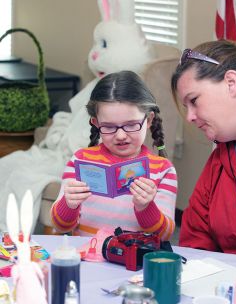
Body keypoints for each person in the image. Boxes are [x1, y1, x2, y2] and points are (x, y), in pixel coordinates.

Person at [51, 70, 177, 240]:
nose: (120, 136)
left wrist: (145, 207)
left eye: (131, 125)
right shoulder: (80, 162)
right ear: (96, 123)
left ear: (148, 120)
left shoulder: (163, 170)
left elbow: (165, 234)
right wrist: (68, 204)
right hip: (88, 260)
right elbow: (60, 225)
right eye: (109, 127)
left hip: (136, 264)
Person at [171, 38, 236, 262]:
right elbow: (195, 242)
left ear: (231, 82)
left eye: (194, 100)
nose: (190, 117)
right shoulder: (221, 161)